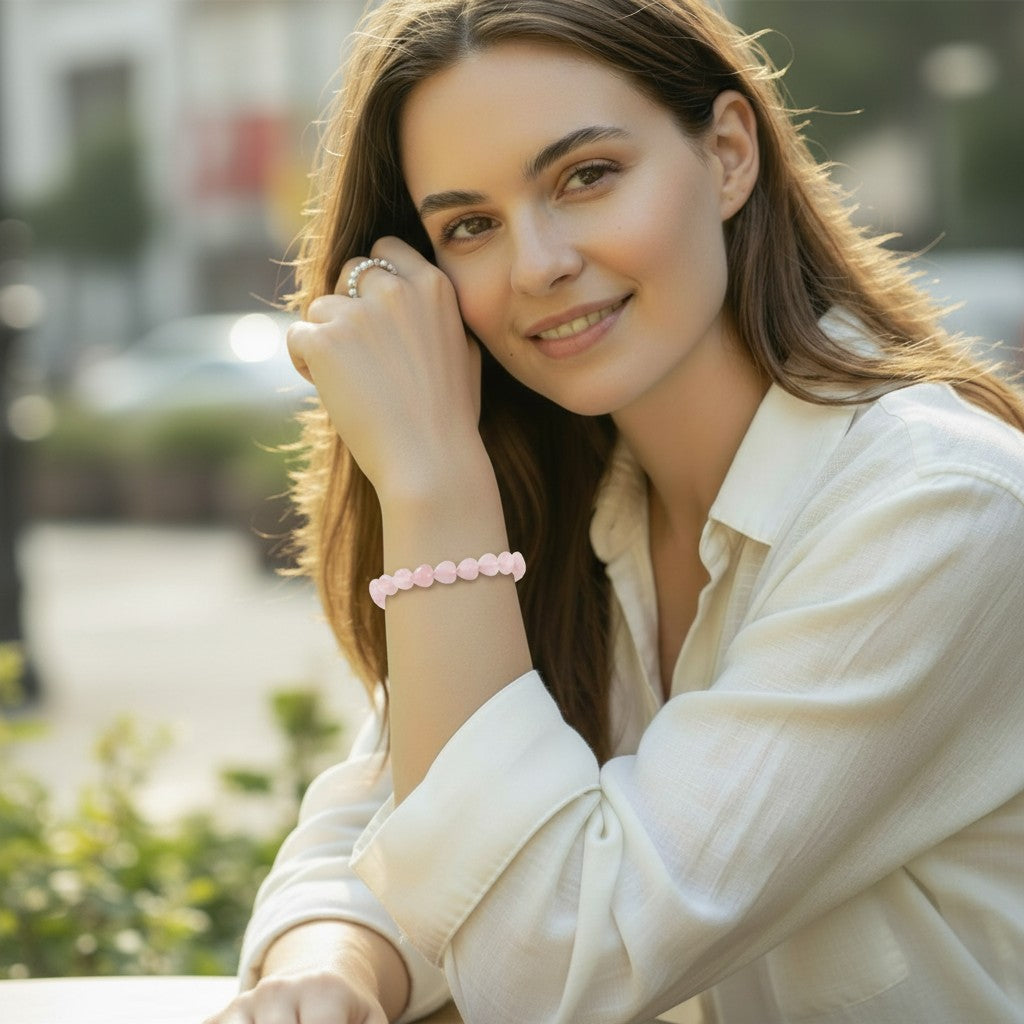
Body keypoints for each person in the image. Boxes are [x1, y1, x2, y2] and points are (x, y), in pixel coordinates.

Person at [205, 1, 1024, 1021]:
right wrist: (332, 969)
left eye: (584, 177)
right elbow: (381, 825)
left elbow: (553, 961)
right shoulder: (571, 502)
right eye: (469, 226)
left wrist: (434, 484)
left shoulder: (936, 510)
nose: (537, 263)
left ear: (728, 153)